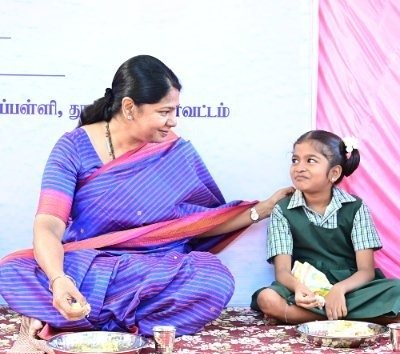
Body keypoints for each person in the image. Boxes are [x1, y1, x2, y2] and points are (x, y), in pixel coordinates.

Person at [0, 55, 293, 337]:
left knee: (214, 278)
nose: (173, 121)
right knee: (12, 272)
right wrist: (58, 279)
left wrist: (262, 209)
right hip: (90, 266)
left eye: (175, 111)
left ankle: (79, 318)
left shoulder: (172, 151)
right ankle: (106, 316)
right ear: (129, 108)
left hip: (155, 267)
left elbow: (195, 223)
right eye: (164, 112)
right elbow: (49, 224)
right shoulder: (73, 147)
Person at [251, 130, 400, 325]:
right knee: (267, 299)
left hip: (350, 288)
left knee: (397, 289)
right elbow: (283, 271)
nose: (299, 168)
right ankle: (360, 316)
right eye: (295, 160)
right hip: (306, 286)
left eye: (310, 161)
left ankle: (301, 316)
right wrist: (298, 288)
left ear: (334, 173)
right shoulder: (282, 210)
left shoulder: (355, 207)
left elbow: (366, 271)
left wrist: (338, 290)